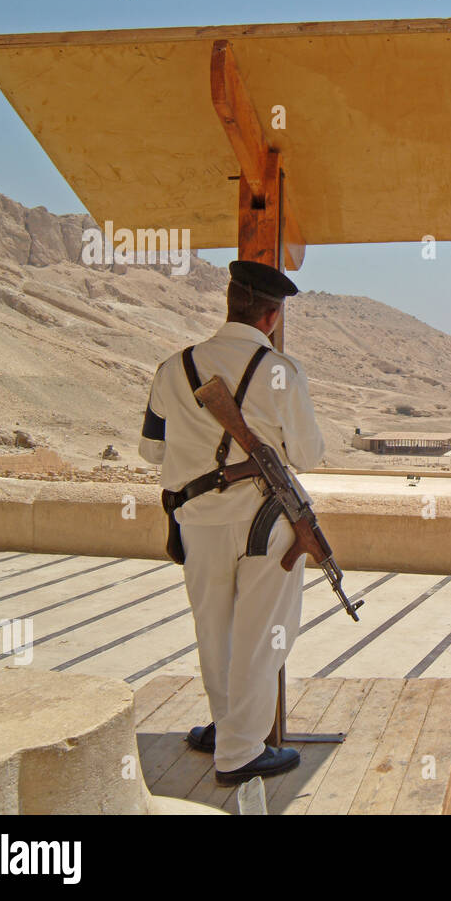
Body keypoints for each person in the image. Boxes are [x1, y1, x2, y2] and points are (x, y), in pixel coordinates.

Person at [139, 260, 324, 786]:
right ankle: (240, 751)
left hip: (196, 520)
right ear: (271, 315)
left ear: (229, 305)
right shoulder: (281, 370)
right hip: (264, 521)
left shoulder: (172, 368)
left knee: (213, 628)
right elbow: (308, 455)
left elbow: (151, 450)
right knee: (262, 634)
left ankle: (226, 729)